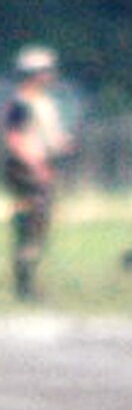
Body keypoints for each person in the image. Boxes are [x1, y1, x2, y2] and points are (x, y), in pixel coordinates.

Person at [4, 45, 73, 301]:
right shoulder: (22, 102)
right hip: (27, 171)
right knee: (32, 225)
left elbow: (43, 135)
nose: (52, 75)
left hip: (40, 167)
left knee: (39, 225)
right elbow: (15, 138)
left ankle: (28, 282)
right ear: (35, 73)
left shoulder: (42, 102)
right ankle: (25, 286)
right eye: (47, 70)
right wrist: (35, 166)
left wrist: (59, 145)